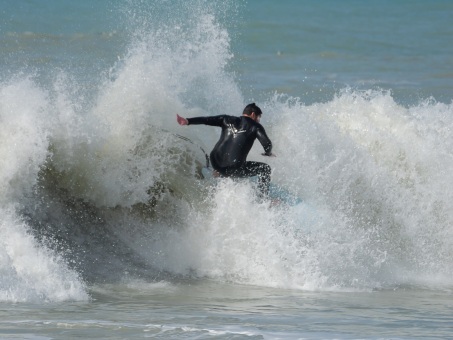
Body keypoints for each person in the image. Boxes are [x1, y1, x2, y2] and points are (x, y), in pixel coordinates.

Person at [176, 103, 275, 197]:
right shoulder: (255, 126)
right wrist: (268, 153)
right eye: (258, 118)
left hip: (215, 161)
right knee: (265, 169)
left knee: (227, 165)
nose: (258, 121)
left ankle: (218, 172)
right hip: (233, 167)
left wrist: (188, 121)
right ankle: (263, 198)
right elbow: (267, 144)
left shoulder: (226, 119)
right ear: (253, 114)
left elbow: (206, 120)